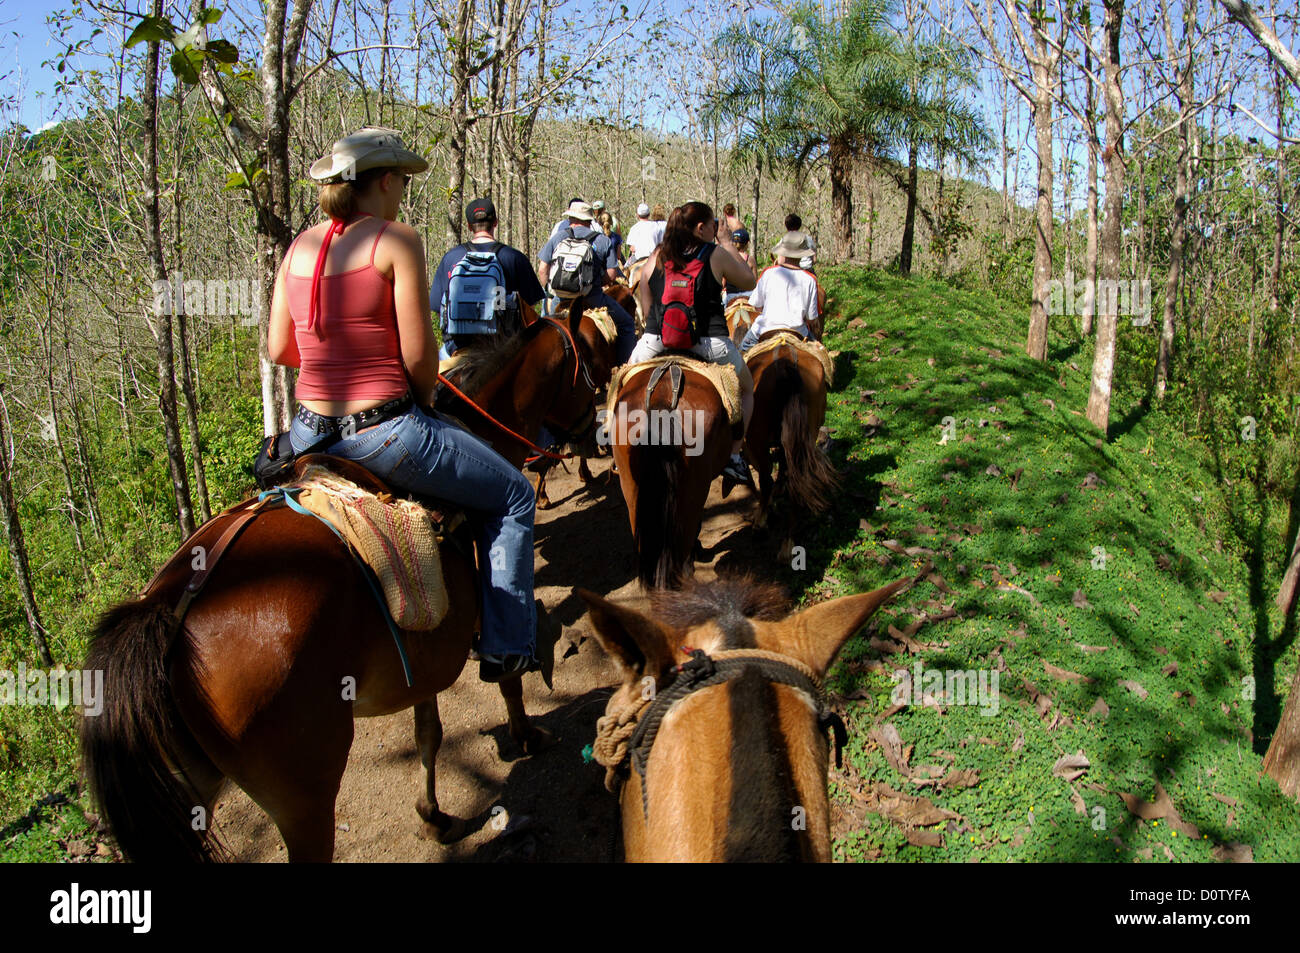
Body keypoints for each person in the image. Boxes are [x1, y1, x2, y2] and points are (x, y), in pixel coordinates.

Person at [267, 127, 541, 682]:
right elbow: (419, 358)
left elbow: (280, 349)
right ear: (387, 181)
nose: (403, 193)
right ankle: (507, 646)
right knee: (514, 494)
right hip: (384, 431)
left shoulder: (299, 246)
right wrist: (421, 401)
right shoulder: (396, 240)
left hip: (307, 431)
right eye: (403, 183)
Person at [630, 201, 756, 485]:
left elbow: (645, 296)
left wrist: (658, 325)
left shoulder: (658, 254)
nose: (716, 229)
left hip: (657, 340)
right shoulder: (715, 253)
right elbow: (749, 281)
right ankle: (735, 456)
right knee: (747, 390)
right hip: (710, 343)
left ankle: (617, 446)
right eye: (714, 225)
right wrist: (727, 242)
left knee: (621, 385)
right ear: (701, 228)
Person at [430, 197, 545, 359]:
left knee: (436, 368)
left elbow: (438, 309)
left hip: (457, 350)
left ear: (469, 226)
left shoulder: (450, 258)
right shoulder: (515, 258)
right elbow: (530, 310)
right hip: (502, 350)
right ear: (495, 222)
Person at [537, 200, 636, 362]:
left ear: (571, 218)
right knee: (627, 325)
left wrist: (550, 289)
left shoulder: (558, 237)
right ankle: (623, 368)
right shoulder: (602, 240)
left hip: (560, 299)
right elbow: (612, 274)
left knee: (545, 331)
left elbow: (542, 269)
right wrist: (594, 284)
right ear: (590, 220)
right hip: (593, 299)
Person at [742, 232, 819, 351]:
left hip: (765, 330)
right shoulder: (810, 280)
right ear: (802, 254)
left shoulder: (768, 273)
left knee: (742, 349)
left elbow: (757, 306)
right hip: (797, 333)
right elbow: (812, 319)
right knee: (820, 355)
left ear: (783, 252)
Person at [624, 202, 665, 287]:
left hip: (639, 257)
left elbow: (632, 248)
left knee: (625, 270)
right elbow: (661, 244)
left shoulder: (634, 228)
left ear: (637, 215)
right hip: (654, 259)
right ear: (649, 214)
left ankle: (629, 286)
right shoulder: (656, 226)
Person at [724, 227, 757, 304]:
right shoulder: (750, 260)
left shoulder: (727, 258)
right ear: (747, 244)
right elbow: (755, 281)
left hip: (731, 296)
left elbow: (723, 283)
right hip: (748, 295)